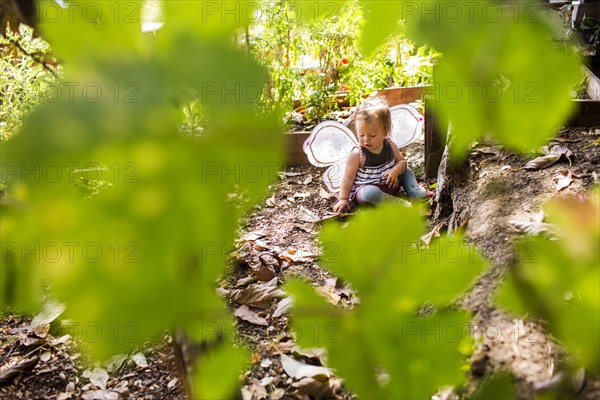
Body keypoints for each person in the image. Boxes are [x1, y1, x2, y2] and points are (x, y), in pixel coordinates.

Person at [332, 97, 433, 213]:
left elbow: (403, 162)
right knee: (369, 193)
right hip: (367, 191)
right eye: (361, 135)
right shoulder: (357, 154)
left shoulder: (390, 145)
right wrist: (343, 199)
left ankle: (415, 193)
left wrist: (395, 171)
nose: (366, 140)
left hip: (389, 184)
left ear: (385, 131)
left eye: (373, 135)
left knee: (407, 171)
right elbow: (348, 178)